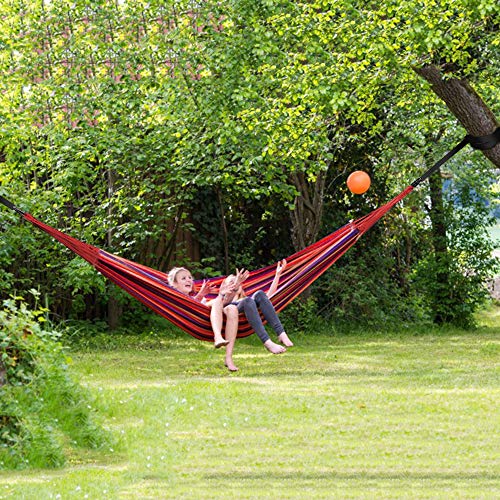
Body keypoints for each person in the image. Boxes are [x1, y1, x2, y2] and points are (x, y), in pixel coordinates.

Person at [167, 266, 248, 371]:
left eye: (190, 277)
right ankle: (218, 336)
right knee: (217, 301)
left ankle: (228, 356)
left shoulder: (199, 297)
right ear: (174, 284)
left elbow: (219, 306)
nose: (188, 280)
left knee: (231, 308)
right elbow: (188, 307)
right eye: (183, 278)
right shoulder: (174, 297)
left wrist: (222, 293)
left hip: (212, 318)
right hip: (199, 320)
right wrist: (202, 296)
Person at [221, 259, 293, 355]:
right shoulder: (224, 299)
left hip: (248, 307)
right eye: (231, 282)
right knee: (247, 301)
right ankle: (267, 342)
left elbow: (268, 299)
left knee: (259, 294)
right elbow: (222, 304)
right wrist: (234, 287)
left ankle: (281, 333)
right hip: (232, 312)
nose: (235, 283)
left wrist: (277, 275)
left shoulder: (248, 300)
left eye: (237, 282)